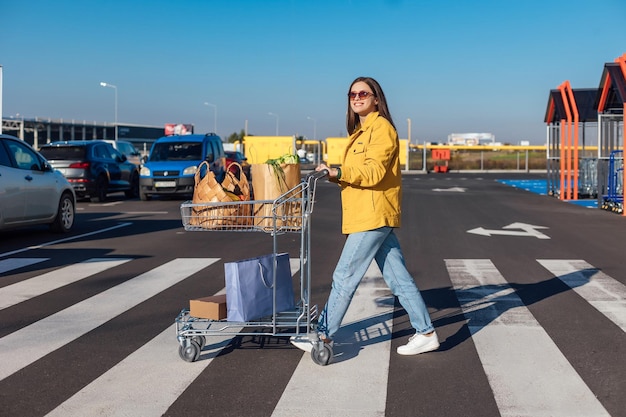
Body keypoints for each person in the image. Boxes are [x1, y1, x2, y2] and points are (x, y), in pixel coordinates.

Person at [292, 76, 439, 356]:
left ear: (376, 98)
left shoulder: (381, 129)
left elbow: (373, 173)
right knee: (399, 278)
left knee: (344, 275)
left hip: (373, 215)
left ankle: (322, 337)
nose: (357, 97)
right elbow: (360, 172)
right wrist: (334, 173)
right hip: (369, 212)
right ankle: (426, 332)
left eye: (363, 93)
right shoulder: (360, 131)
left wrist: (340, 172)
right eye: (352, 94)